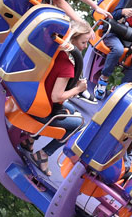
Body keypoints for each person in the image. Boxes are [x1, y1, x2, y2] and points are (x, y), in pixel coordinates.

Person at [28, 20, 93, 176]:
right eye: (83, 42)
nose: (85, 46)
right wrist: (78, 89)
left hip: (33, 96)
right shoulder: (67, 66)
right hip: (41, 109)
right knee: (79, 123)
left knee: (71, 109)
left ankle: (29, 140)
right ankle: (43, 155)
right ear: (73, 40)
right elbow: (57, 97)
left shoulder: (55, 51)